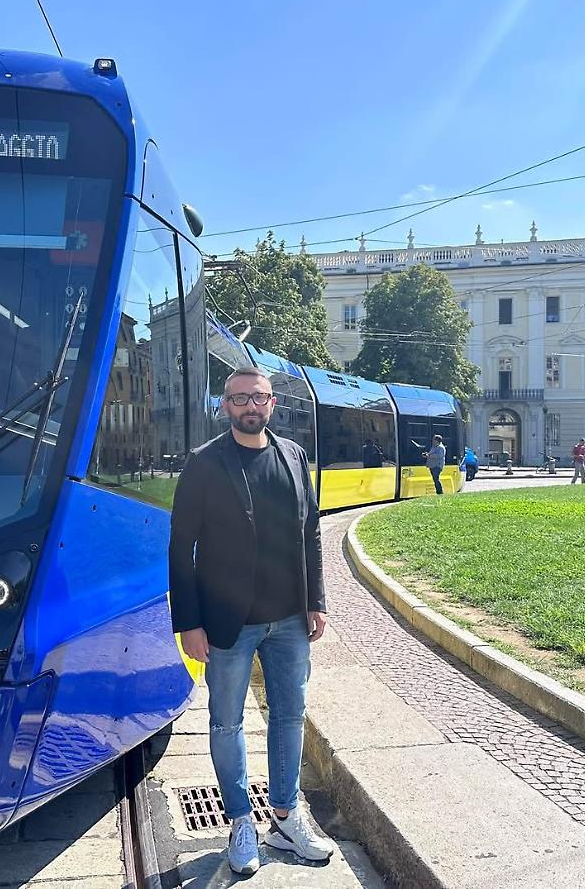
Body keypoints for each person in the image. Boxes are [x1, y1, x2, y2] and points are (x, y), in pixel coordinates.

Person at [169, 366, 336, 876]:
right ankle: (241, 820)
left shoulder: (293, 455)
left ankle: (285, 817)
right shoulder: (203, 463)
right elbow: (181, 547)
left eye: (258, 397)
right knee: (226, 721)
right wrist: (188, 623)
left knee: (290, 716)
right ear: (225, 406)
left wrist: (316, 600)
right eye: (239, 398)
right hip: (228, 622)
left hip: (289, 619)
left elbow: (310, 531)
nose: (250, 406)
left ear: (271, 403)